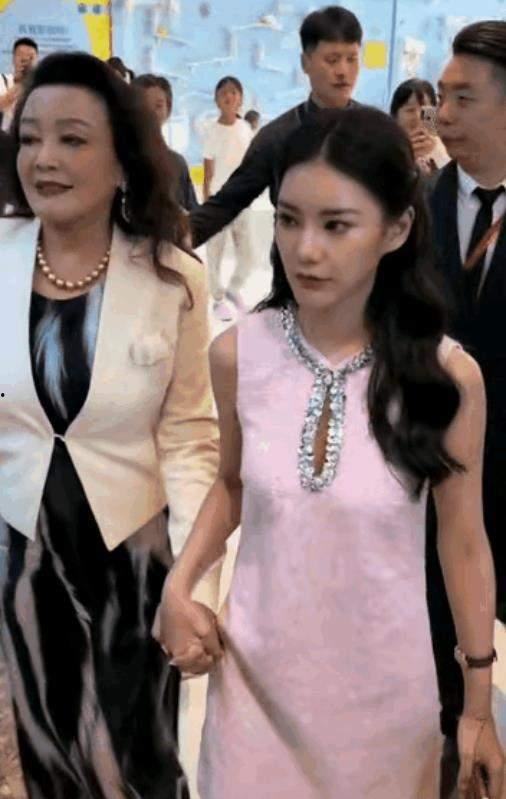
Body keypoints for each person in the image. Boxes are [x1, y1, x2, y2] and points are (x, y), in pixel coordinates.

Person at [155, 107, 504, 798]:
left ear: (396, 229)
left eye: (336, 225)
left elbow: (463, 543)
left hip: (385, 707)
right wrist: (180, 584)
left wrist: (476, 705)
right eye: (288, 220)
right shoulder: (239, 354)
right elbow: (232, 483)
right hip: (253, 689)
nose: (305, 249)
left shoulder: (445, 378)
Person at [0, 51, 219, 799]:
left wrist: (195, 583)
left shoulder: (172, 277)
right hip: (24, 564)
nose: (45, 158)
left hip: (135, 570)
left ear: (123, 160)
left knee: (139, 762)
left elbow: (191, 440)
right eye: (30, 138)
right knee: (48, 754)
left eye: (72, 139)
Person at [426, 17, 506, 768]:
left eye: (463, 98)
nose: (442, 114)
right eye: (439, 96)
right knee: (439, 650)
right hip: (434, 480)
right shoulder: (410, 209)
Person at [190, 4, 362, 247]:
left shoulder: (376, 133)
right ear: (305, 63)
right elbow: (227, 203)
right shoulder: (278, 136)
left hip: (359, 267)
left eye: (352, 59)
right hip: (296, 264)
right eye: (332, 60)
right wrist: (169, 241)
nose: (343, 71)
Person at [202, 76, 255, 321]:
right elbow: (207, 172)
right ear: (216, 99)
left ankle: (234, 289)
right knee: (215, 254)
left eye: (234, 91)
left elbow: (251, 164)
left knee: (248, 254)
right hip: (218, 201)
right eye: (223, 92)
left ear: (240, 98)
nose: (229, 96)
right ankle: (218, 300)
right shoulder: (211, 131)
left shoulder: (245, 129)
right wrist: (206, 202)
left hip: (241, 200)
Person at [132, 73, 198, 213]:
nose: (151, 113)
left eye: (158, 106)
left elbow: (192, 213)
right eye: (144, 105)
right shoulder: (116, 162)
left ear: (168, 110)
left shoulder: (177, 163)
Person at [390, 78, 449, 173]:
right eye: (410, 110)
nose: (418, 117)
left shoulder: (449, 148)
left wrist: (436, 153)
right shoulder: (386, 149)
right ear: (395, 115)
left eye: (425, 109)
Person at [0, 37, 38, 132]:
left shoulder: (41, 86)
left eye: (30, 57)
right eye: (20, 55)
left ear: (36, 60)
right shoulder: (2, 79)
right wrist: (20, 82)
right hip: (5, 135)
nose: (24, 60)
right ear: (13, 58)